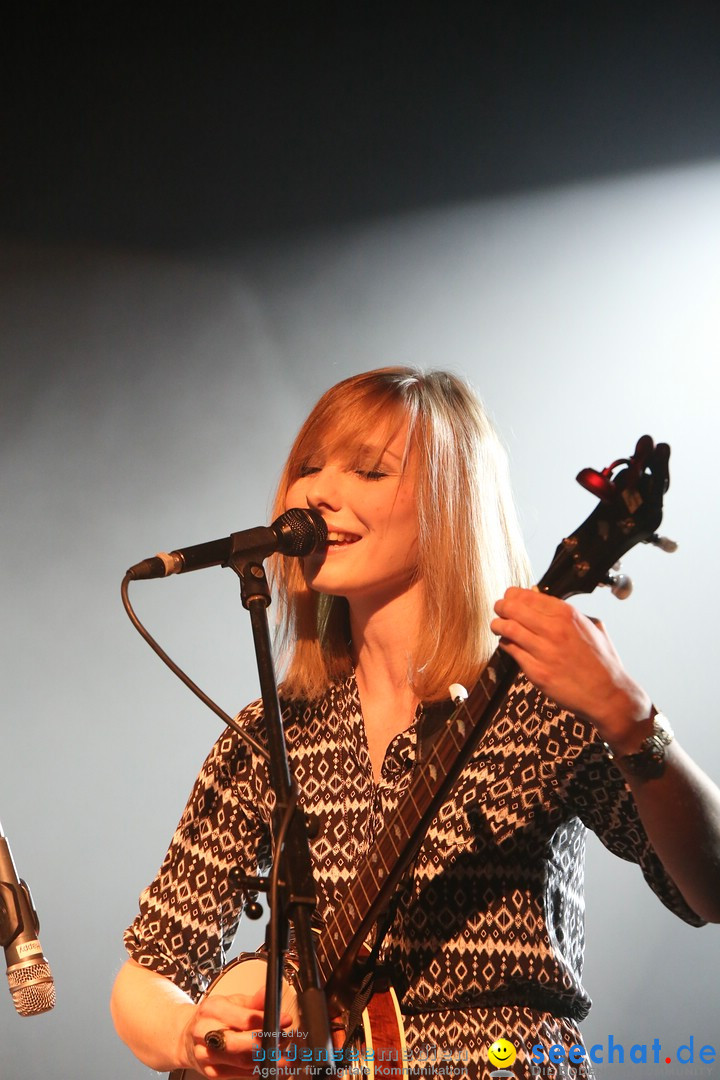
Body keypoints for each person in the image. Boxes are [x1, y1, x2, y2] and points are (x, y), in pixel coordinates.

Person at [111, 367, 720, 1080]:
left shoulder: (540, 706)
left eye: (368, 470)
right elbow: (146, 976)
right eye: (307, 469)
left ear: (452, 501)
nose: (316, 492)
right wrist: (193, 1034)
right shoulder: (268, 736)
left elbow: (708, 890)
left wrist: (629, 719)